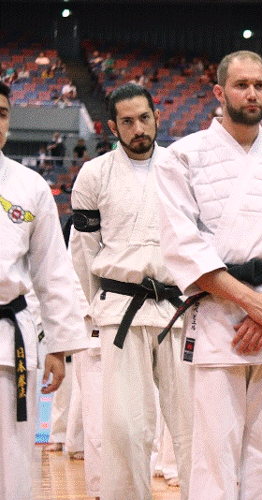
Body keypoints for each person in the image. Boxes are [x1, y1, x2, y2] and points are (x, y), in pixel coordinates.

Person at [155, 50, 262, 500]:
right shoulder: (182, 157)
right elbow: (183, 245)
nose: (251, 93)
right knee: (214, 450)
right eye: (241, 85)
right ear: (219, 92)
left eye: (260, 85)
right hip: (218, 320)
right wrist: (251, 303)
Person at [70, 83, 193, 500]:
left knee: (193, 423)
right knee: (125, 427)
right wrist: (96, 307)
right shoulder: (94, 174)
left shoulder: (182, 167)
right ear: (112, 127)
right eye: (127, 121)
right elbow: (84, 254)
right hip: (120, 308)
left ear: (156, 117)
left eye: (144, 118)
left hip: (178, 309)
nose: (138, 128)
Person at [0, 80, 87, 500]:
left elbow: (53, 270)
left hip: (8, 341)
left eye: (1, 113)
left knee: (13, 459)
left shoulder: (29, 186)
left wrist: (58, 345)